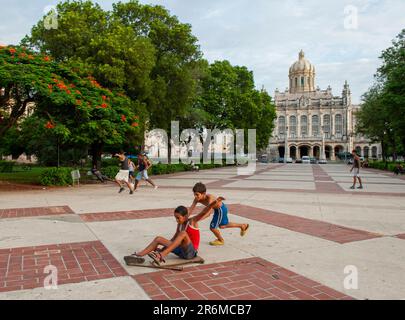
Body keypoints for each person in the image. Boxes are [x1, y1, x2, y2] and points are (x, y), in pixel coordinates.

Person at [126, 197, 224, 266]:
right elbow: (173, 239)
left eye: (178, 218)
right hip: (180, 251)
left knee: (183, 234)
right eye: (175, 218)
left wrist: (212, 204)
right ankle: (139, 255)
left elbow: (203, 212)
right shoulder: (179, 225)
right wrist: (164, 248)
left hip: (190, 253)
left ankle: (161, 256)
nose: (177, 220)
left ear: (185, 216)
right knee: (158, 238)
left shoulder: (192, 221)